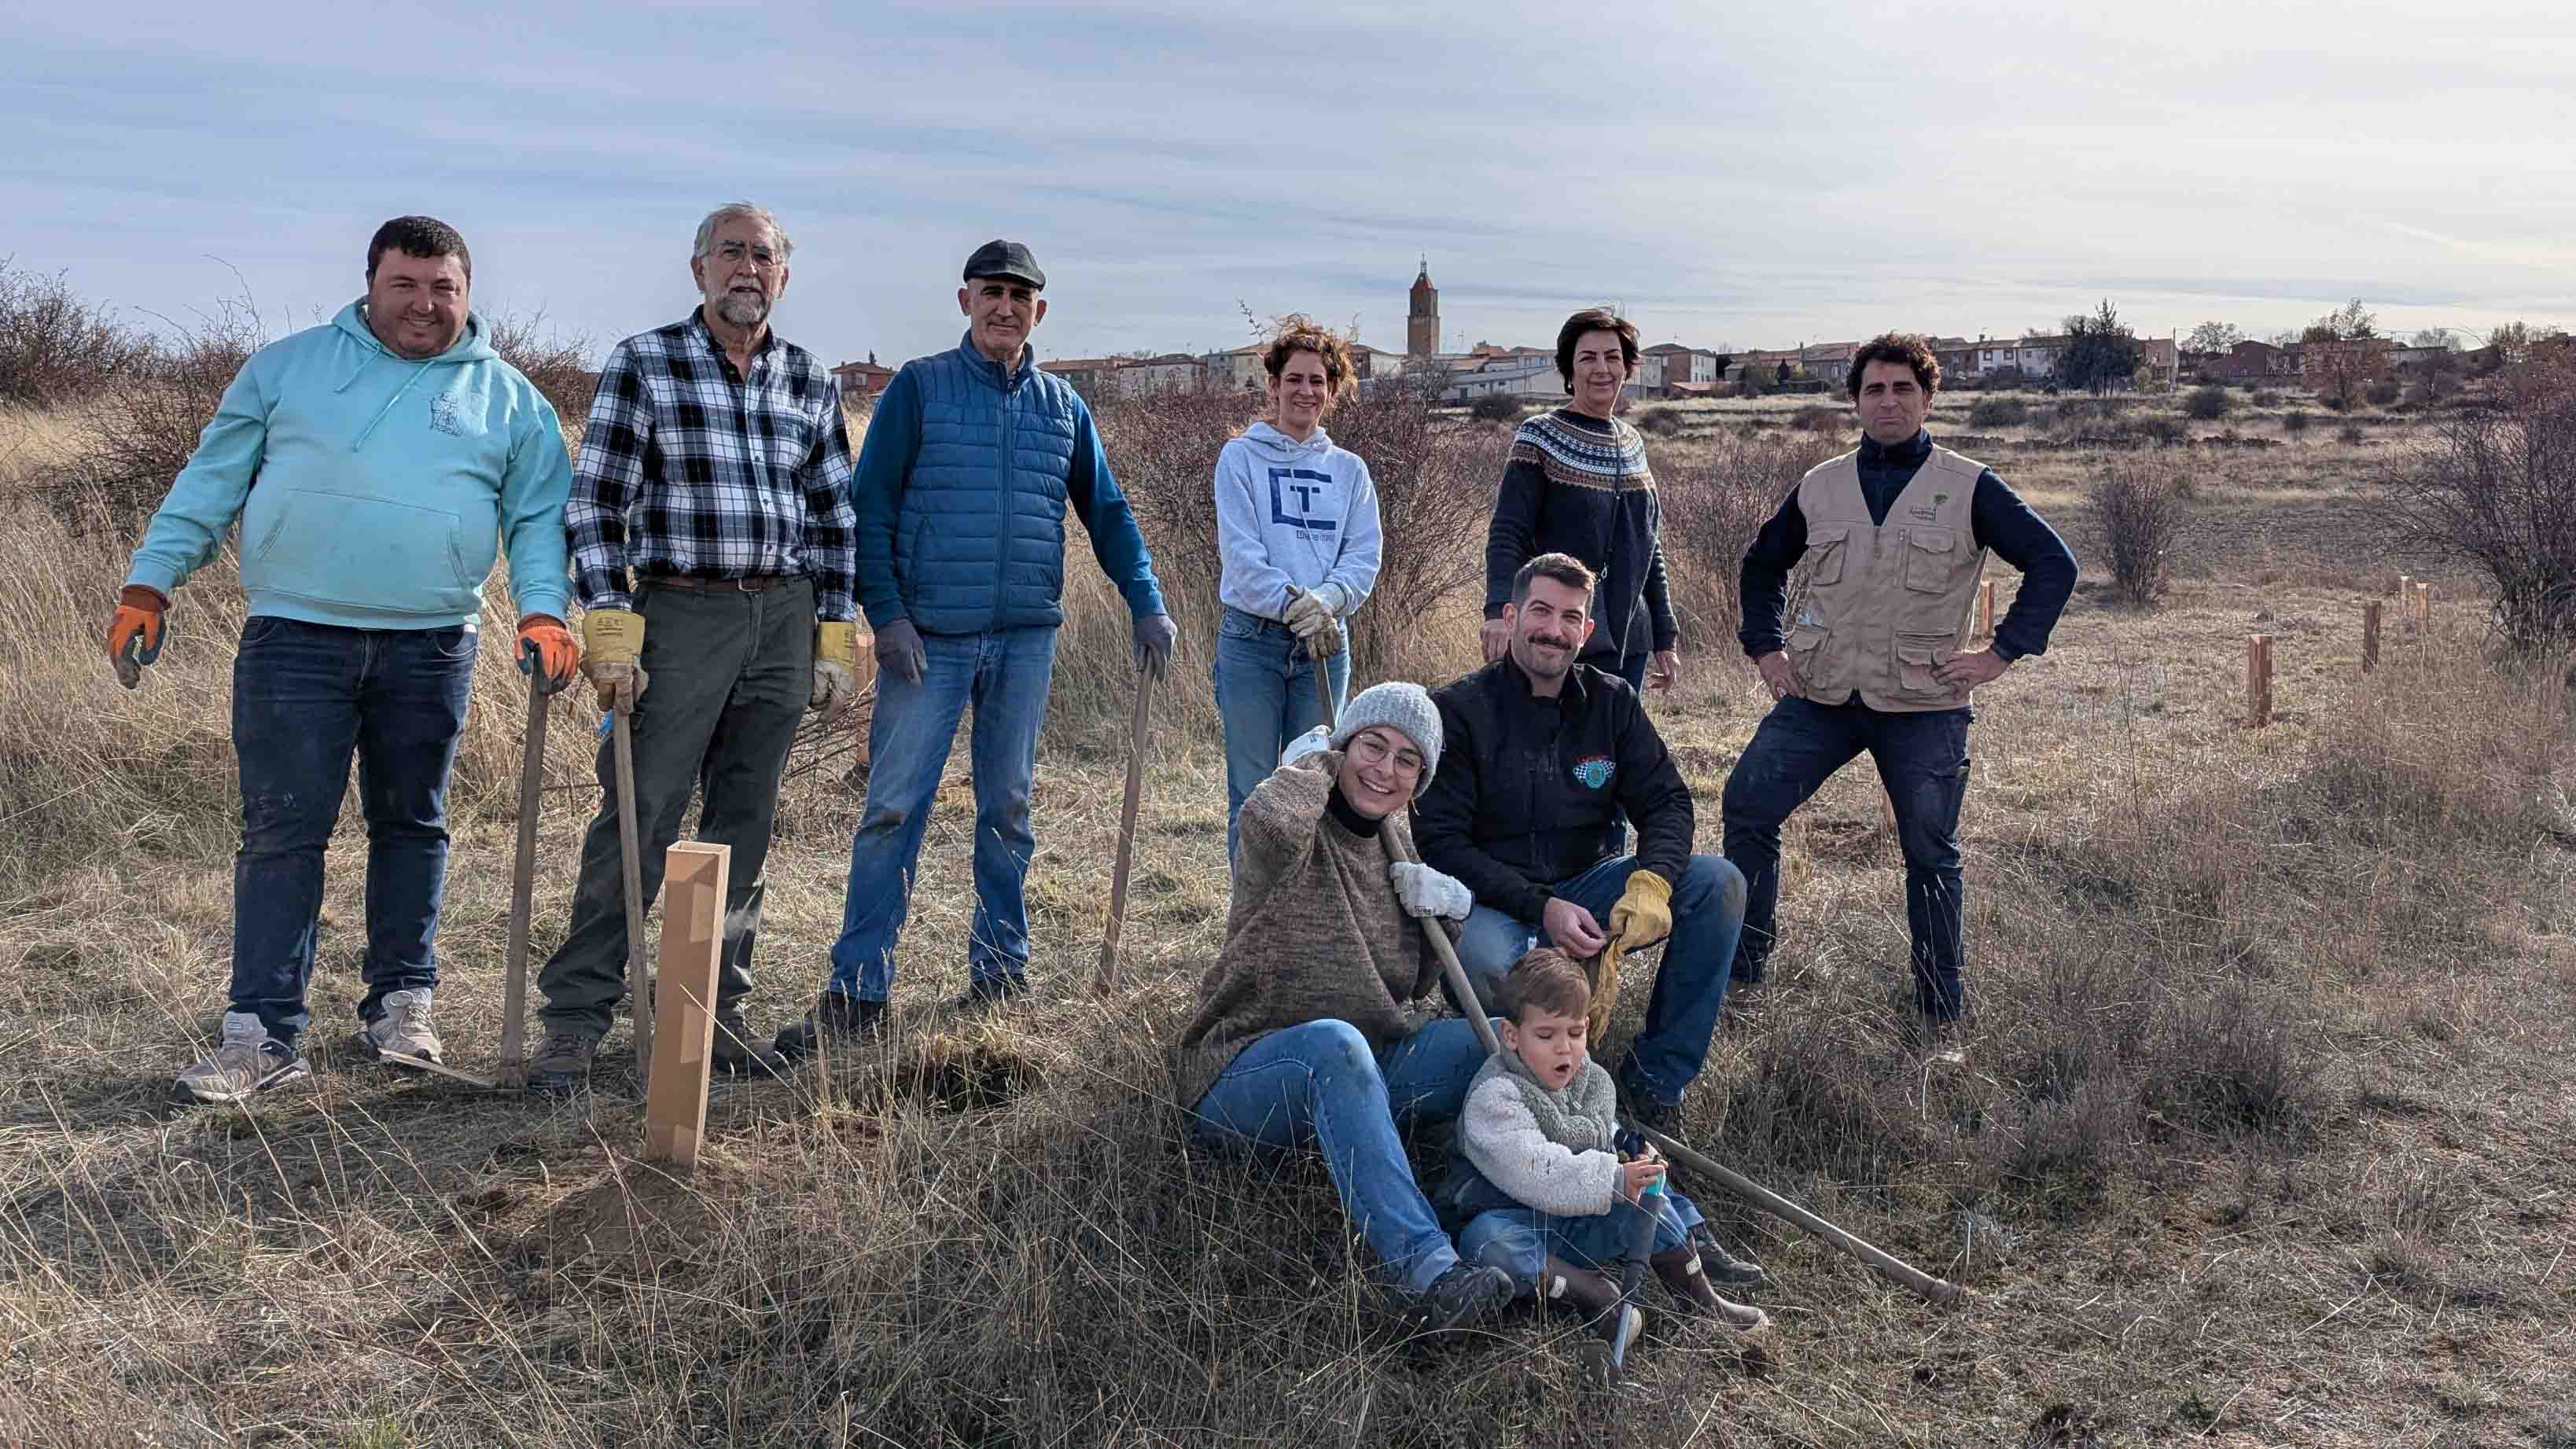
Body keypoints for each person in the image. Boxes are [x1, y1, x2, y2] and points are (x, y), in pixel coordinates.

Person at [110, 216, 578, 1104]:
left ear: (467, 293)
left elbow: (536, 523)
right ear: (370, 285)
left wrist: (546, 612)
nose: (424, 304)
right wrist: (150, 583)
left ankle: (402, 1007)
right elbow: (210, 484)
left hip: (435, 641)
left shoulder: (511, 400)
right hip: (296, 638)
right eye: (405, 285)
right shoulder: (286, 369)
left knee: (414, 824)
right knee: (284, 831)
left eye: (444, 288)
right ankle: (262, 1035)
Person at [782, 241, 1176, 1054]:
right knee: (893, 809)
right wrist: (884, 614)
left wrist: (1146, 599)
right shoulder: (921, 389)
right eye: (991, 292)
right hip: (927, 639)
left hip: (1024, 638)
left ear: (1041, 311)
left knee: (1008, 809)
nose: (1005, 307)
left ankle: (999, 970)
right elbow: (872, 507)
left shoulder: (1063, 407)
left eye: (1019, 296)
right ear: (965, 300)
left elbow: (1108, 512)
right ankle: (859, 989)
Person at [526, 203, 860, 1093]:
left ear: (784, 275)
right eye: (731, 254)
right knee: (640, 810)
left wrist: (833, 632)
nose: (747, 269)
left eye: (763, 256)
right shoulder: (647, 363)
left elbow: (833, 516)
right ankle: (576, 1015)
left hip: (781, 617)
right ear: (699, 269)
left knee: (744, 823)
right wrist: (607, 625)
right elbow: (595, 503)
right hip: (681, 613)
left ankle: (710, 1011)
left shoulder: (808, 378)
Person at [1723, 332, 2077, 1061]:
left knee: (1930, 851)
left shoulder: (1970, 485)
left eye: (1903, 389)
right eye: (1874, 390)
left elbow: (2053, 563)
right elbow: (1761, 567)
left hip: (1924, 702)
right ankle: (1745, 972)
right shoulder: (1821, 485)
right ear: (1854, 400)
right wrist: (1766, 647)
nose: (1888, 402)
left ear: (1928, 396)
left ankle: (1940, 1014)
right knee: (1747, 805)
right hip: (1820, 693)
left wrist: (2001, 654)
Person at [1173, 683, 1518, 1333]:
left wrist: (1451, 913)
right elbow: (1266, 826)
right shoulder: (1294, 825)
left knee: (1503, 1040)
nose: (1384, 770)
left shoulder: (1398, 851)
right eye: (1372, 746)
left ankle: (1502, 1193)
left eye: (1406, 760)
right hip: (1244, 1074)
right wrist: (1313, 766)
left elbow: (1413, 986)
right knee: (1335, 1044)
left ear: (1420, 781)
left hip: (1362, 1064)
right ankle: (1431, 1274)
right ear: (1345, 744)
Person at [1417, 553, 1754, 1176]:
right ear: (1512, 616)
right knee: (1493, 961)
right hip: (1492, 900)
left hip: (1589, 887)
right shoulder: (1458, 709)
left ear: (1587, 629)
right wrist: (1540, 905)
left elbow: (1669, 802)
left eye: (1570, 617)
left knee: (1718, 884)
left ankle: (1654, 1083)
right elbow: (1442, 843)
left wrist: (1650, 883)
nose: (1554, 629)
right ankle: (1524, 1103)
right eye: (1541, 611)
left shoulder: (1613, 702)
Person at [1441, 949, 1769, 1365]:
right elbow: (1538, 1169)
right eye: (1546, 1036)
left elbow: (1602, 1129)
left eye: (1575, 1033)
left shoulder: (1589, 1080)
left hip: (1577, 1218)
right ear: (1511, 1036)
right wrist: (1613, 1178)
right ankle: (1598, 1296)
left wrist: (1631, 1155)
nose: (1564, 1049)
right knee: (1487, 1242)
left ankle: (1704, 1299)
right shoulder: (1497, 1096)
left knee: (1651, 1203)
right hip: (1516, 1218)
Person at [1212, 316, 1382, 862]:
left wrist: (1327, 601)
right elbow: (1242, 555)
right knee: (1255, 792)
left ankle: (1300, 929)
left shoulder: (1350, 472)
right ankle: (1251, 933)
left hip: (1323, 648)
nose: (1305, 391)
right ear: (1273, 386)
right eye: (1295, 379)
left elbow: (1363, 555)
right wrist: (1292, 601)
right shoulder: (1240, 458)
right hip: (1252, 643)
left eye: (1317, 381)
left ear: (1332, 391)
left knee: (1313, 787)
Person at [1478, 307, 1678, 693]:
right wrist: (1498, 610)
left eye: (1612, 357)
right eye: (1588, 358)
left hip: (1628, 639)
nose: (1601, 368)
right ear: (1569, 370)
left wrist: (1664, 636)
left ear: (1627, 368)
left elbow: (1650, 548)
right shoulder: (1539, 436)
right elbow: (1507, 532)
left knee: (1610, 751)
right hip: (1559, 633)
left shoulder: (1633, 442)